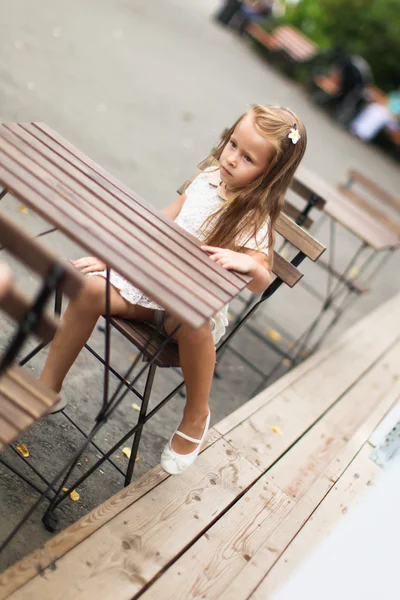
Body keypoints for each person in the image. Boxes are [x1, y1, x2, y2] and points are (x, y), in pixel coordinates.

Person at [39, 104, 307, 475]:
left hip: (184, 317)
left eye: (247, 158)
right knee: (88, 290)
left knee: (190, 318)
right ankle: (47, 386)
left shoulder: (253, 217)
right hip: (148, 286)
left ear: (269, 175)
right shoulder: (209, 177)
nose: (231, 159)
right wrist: (112, 257)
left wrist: (253, 264)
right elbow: (162, 220)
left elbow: (261, 278)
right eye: (232, 145)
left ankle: (196, 414)